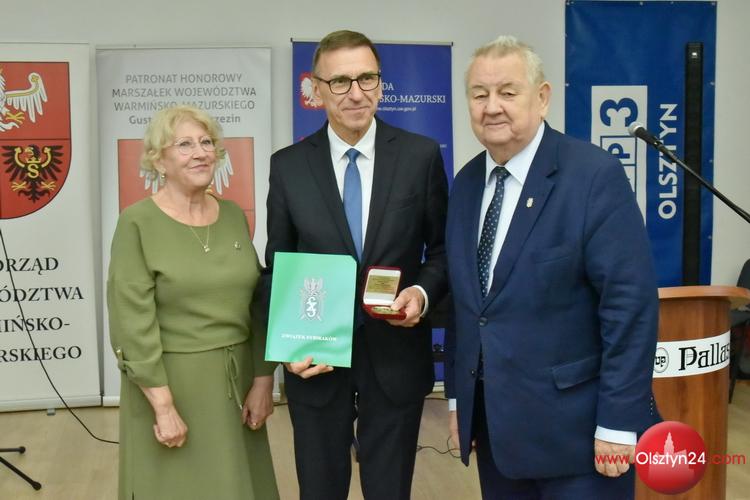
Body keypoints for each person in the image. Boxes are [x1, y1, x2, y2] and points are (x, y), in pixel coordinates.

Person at [444, 36, 659, 499]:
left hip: (580, 441)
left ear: (542, 97)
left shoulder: (593, 175)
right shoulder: (465, 184)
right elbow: (468, 306)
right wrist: (460, 400)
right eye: (479, 94)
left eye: (508, 92)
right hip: (497, 435)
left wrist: (619, 422)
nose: (491, 107)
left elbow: (629, 307)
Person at [265, 30, 448, 500]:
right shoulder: (288, 167)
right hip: (315, 360)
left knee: (390, 490)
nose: (356, 93)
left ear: (381, 84)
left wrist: (421, 293)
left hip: (396, 356)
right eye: (340, 81)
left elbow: (443, 251)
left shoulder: (420, 156)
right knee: (319, 489)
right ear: (317, 89)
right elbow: (278, 267)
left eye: (367, 78)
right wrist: (287, 349)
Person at [107, 105, 279, 500]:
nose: (200, 153)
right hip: (171, 386)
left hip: (238, 384)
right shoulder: (136, 222)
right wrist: (163, 405)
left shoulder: (233, 215)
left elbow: (256, 302)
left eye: (206, 143)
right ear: (158, 160)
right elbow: (131, 322)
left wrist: (263, 378)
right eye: (184, 144)